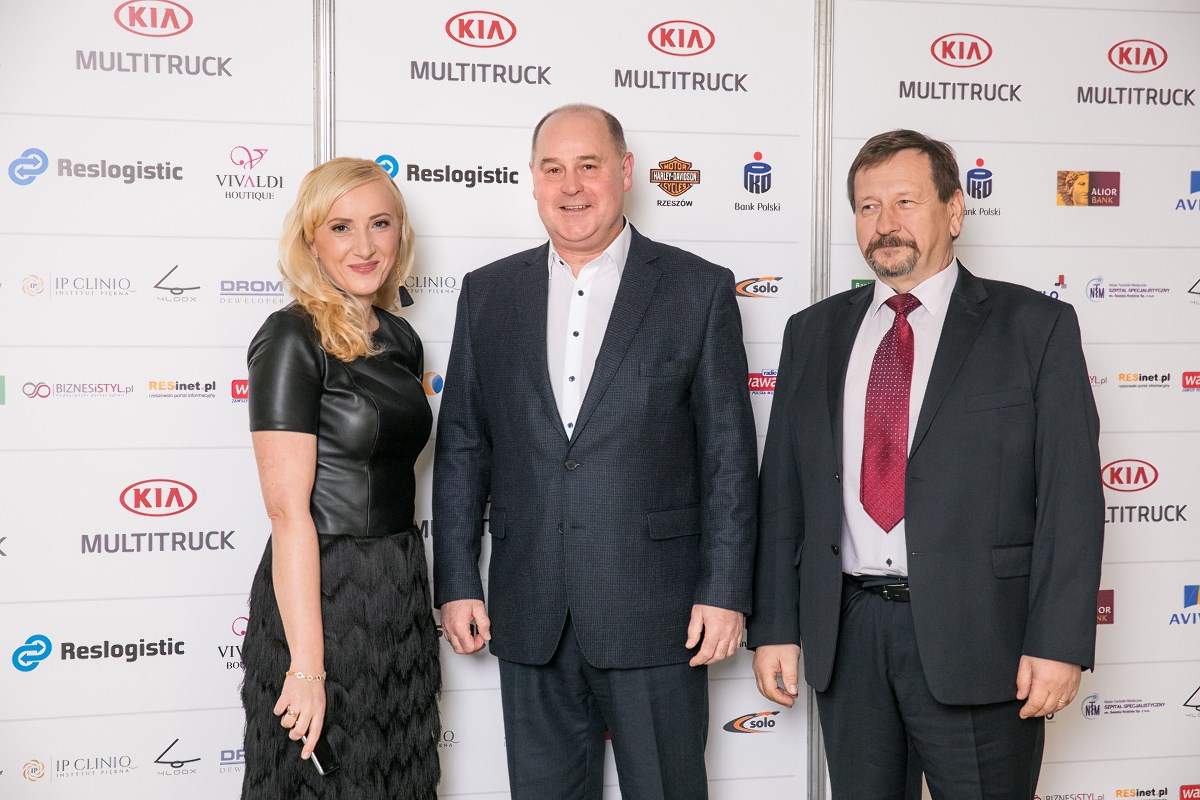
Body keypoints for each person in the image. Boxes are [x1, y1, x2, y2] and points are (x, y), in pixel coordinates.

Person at [749, 129, 1104, 799]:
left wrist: (1058, 642)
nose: (885, 223)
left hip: (984, 639)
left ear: (955, 211)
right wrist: (774, 627)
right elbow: (784, 494)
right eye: (868, 206)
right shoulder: (813, 332)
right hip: (847, 636)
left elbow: (1071, 500)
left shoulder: (1034, 327)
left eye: (905, 202)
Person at [432, 104, 757, 800]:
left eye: (589, 165)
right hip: (530, 609)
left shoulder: (696, 289)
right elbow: (462, 446)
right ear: (533, 179)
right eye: (554, 169)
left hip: (659, 614)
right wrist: (457, 580)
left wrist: (725, 591)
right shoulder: (489, 293)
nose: (571, 186)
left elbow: (728, 456)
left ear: (626, 171)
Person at [239, 157, 439, 800]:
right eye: (341, 227)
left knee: (398, 777)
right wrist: (306, 668)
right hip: (322, 592)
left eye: (380, 223)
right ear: (311, 241)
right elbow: (287, 513)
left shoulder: (401, 339)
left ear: (400, 232)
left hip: (399, 586)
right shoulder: (289, 337)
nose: (365, 246)